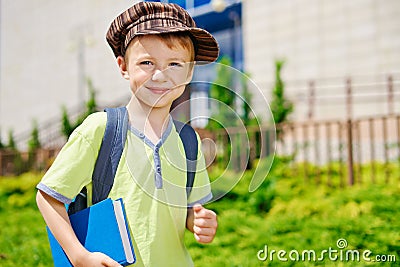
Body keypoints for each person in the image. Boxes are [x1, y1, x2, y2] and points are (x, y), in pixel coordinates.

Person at [36, 1, 220, 266]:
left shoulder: (188, 141)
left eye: (175, 64)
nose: (160, 75)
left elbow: (186, 209)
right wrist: (79, 256)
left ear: (190, 71)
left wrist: (197, 220)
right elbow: (48, 196)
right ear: (123, 67)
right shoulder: (100, 129)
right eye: (147, 62)